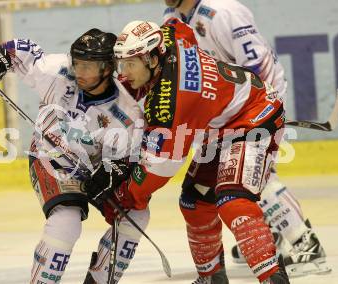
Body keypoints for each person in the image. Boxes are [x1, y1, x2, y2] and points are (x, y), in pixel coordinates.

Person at [84, 19, 291, 284]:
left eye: (131, 64)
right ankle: (211, 278)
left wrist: (126, 196)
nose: (124, 72)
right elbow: (178, 26)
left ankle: (273, 277)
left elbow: (161, 167)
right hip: (224, 123)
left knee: (233, 200)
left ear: (153, 59)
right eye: (122, 63)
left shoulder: (169, 105)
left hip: (255, 118)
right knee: (194, 202)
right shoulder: (168, 38)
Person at [0, 29, 149, 284]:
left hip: (94, 169)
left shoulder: (127, 114)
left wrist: (110, 175)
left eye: (89, 66)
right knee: (66, 221)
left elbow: (125, 159)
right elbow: (15, 51)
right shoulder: (58, 70)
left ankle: (99, 280)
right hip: (51, 159)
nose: (80, 72)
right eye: (77, 63)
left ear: (108, 68)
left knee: (137, 217)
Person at [163, 0, 330, 279]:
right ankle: (272, 235)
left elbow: (257, 62)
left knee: (252, 174)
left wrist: (260, 109)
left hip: (256, 101)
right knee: (233, 175)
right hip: (222, 108)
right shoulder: (172, 15)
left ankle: (306, 245)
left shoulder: (224, 12)